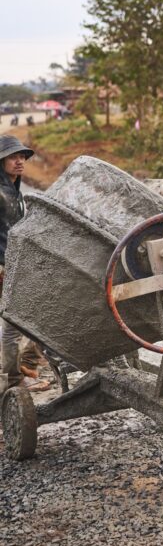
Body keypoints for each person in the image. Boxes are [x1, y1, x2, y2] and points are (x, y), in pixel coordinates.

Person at [0, 135, 48, 392]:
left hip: (17, 265)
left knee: (36, 316)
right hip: (3, 268)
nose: (19, 162)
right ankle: (14, 381)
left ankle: (25, 367)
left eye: (22, 157)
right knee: (13, 326)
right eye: (12, 157)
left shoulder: (14, 190)